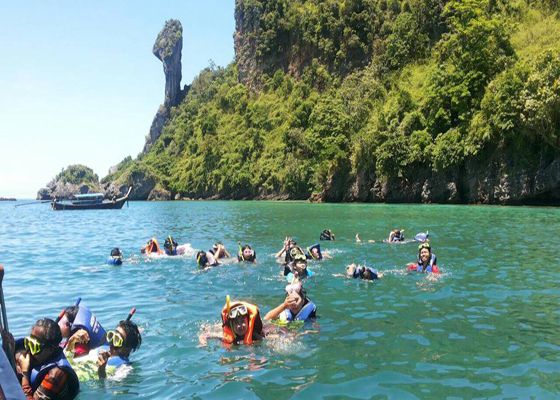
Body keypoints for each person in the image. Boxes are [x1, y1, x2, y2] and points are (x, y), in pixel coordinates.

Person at [14, 318, 80, 400]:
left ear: (50, 350)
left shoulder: (55, 375)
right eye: (29, 343)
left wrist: (25, 373)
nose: (30, 351)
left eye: (35, 347)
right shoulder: (39, 356)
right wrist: (9, 348)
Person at [67, 319, 142, 380]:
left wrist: (101, 371)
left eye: (117, 340)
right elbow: (69, 362)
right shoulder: (98, 350)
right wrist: (71, 342)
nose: (111, 343)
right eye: (111, 335)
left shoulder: (124, 369)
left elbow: (105, 391)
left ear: (127, 349)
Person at [198, 300, 264, 346]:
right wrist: (203, 344)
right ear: (231, 325)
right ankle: (211, 327)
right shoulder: (225, 336)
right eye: (236, 323)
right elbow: (204, 335)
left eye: (242, 322)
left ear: (248, 321)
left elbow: (270, 338)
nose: (240, 325)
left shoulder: (255, 335)